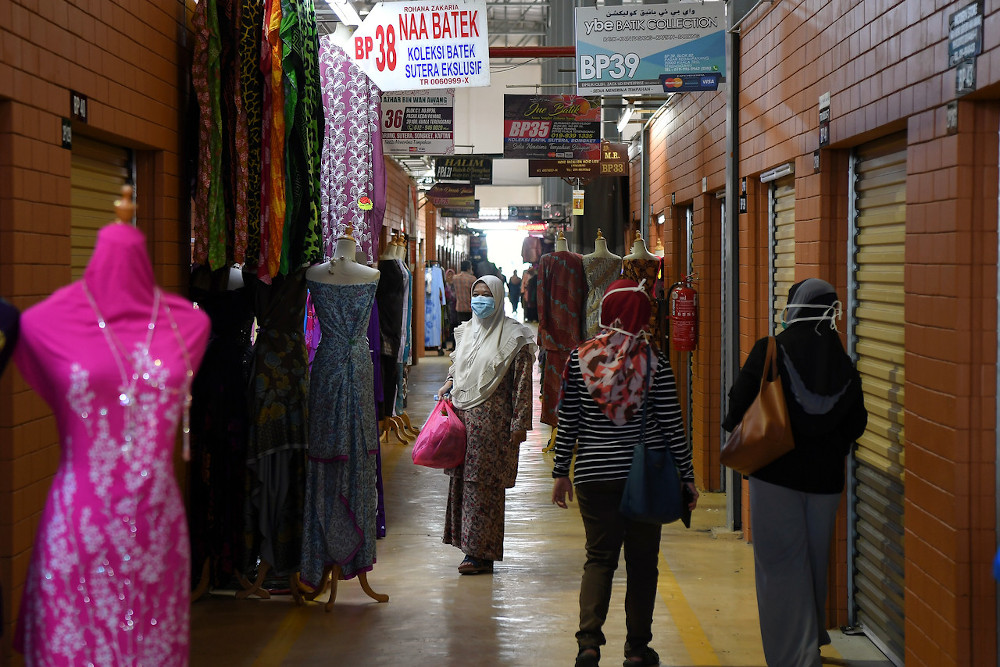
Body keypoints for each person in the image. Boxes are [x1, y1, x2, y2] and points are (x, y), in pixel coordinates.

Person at [722, 278, 868, 667]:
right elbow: (857, 424)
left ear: (796, 307)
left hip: (775, 479)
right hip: (825, 484)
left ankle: (795, 657)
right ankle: (811, 643)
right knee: (814, 563)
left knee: (781, 567)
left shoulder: (771, 350)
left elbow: (736, 412)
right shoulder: (843, 362)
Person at [552, 279, 697, 667]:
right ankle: (636, 649)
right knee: (642, 562)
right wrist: (687, 475)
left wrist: (560, 470)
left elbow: (568, 420)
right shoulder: (654, 362)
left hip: (594, 476)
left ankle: (588, 643)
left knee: (598, 558)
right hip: (644, 478)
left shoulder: (578, 358)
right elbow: (671, 424)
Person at [436, 275, 536, 575]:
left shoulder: (515, 336)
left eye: (486, 294)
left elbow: (522, 385)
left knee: (484, 487)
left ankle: (480, 553)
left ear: (498, 296)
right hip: (463, 420)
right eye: (476, 294)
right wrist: (449, 383)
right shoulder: (467, 331)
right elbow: (462, 368)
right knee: (462, 484)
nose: (480, 300)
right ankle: (469, 546)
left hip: (494, 426)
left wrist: (519, 424)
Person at [451, 260, 477, 324]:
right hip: (470, 308)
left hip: (459, 308)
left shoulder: (455, 278)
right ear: (469, 268)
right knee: (470, 328)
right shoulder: (473, 279)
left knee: (461, 328)